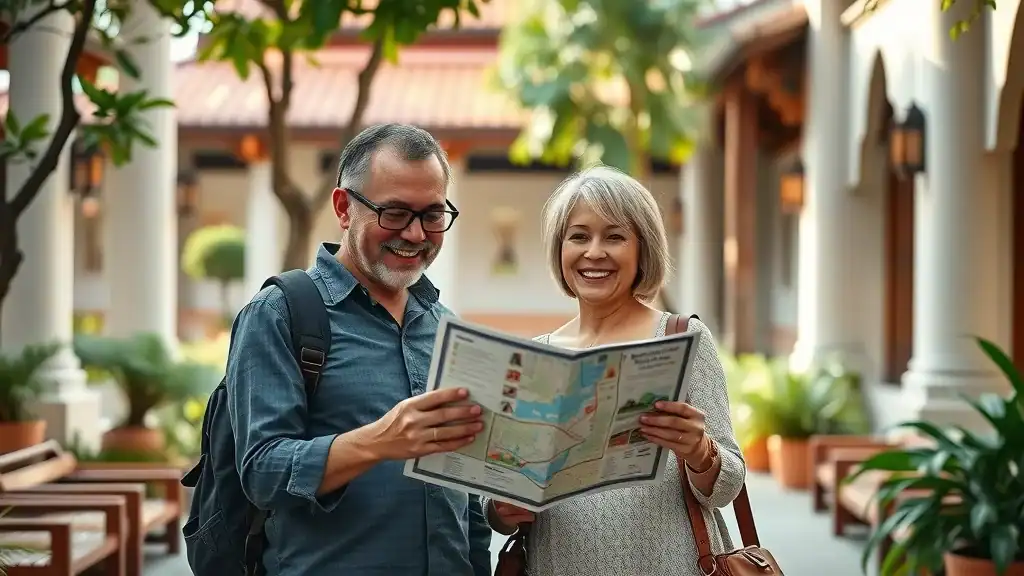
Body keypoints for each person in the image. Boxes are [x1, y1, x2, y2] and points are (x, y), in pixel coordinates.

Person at [225, 123, 492, 575]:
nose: (414, 234)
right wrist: (379, 442)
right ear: (344, 208)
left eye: (431, 214)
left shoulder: (446, 326)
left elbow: (463, 491)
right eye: (393, 213)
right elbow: (262, 472)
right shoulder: (281, 313)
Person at [485, 165, 747, 575]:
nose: (594, 252)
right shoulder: (535, 359)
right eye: (578, 236)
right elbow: (501, 507)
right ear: (559, 248)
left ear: (643, 249)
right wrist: (502, 508)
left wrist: (700, 451)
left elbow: (728, 486)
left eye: (614, 236)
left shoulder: (682, 338)